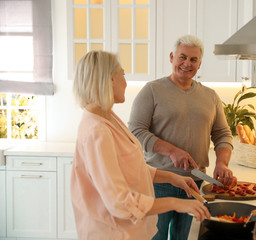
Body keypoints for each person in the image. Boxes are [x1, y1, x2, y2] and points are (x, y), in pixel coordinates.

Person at [71, 50, 210, 240]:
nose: (125, 81)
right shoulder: (97, 132)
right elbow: (120, 203)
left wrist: (171, 177)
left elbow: (130, 168)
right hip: (112, 233)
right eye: (123, 75)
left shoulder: (107, 117)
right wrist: (176, 203)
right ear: (109, 79)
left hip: (127, 231)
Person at [128, 35, 234, 240]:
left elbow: (222, 134)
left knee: (185, 237)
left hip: (195, 183)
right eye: (182, 57)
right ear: (171, 57)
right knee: (155, 237)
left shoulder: (210, 96)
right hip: (159, 182)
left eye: (193, 60)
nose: (187, 64)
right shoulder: (152, 90)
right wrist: (171, 151)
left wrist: (222, 162)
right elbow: (135, 131)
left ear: (199, 64)